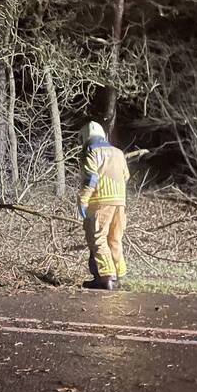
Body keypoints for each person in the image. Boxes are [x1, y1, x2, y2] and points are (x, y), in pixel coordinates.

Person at [77, 121, 130, 290]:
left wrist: (83, 200)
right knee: (115, 239)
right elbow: (126, 176)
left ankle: (106, 277)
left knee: (98, 239)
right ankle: (120, 275)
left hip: (100, 201)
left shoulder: (91, 150)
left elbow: (90, 178)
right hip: (120, 202)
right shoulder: (118, 152)